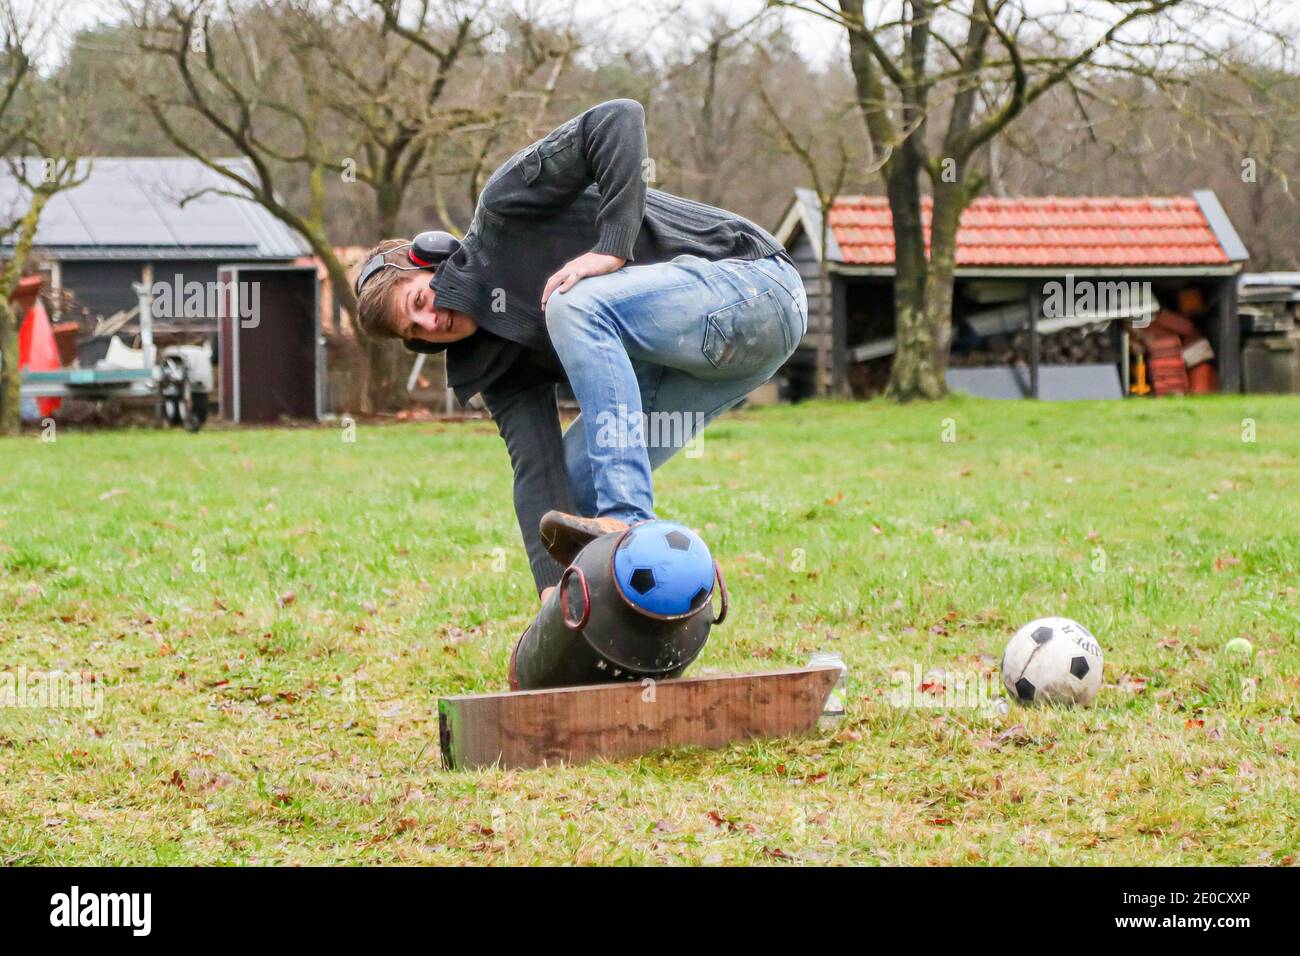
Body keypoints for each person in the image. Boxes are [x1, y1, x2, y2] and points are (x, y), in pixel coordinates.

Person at [354, 99, 806, 599]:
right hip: (716, 366)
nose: (430, 322)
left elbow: (618, 119)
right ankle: (613, 611)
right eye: (413, 331)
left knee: (572, 302)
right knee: (571, 488)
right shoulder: (496, 369)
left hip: (758, 289)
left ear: (434, 258)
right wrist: (554, 589)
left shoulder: (506, 210)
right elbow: (536, 472)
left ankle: (629, 519)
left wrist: (612, 246)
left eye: (419, 299)